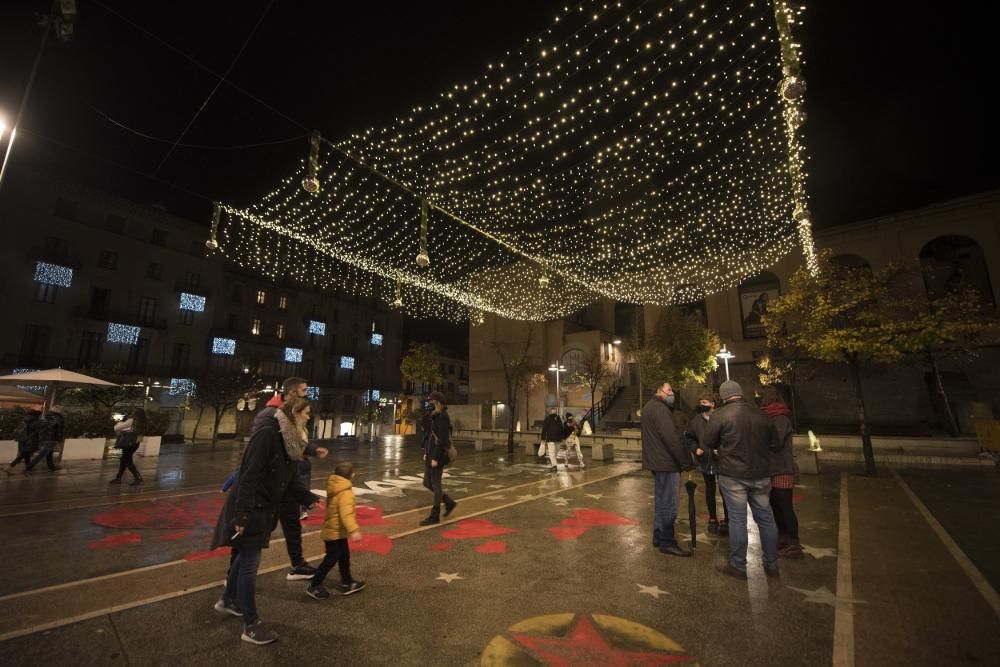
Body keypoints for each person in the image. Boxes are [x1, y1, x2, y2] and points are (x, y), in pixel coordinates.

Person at [210, 396, 318, 646]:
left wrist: (307, 496)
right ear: (294, 413)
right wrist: (242, 514)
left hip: (264, 507)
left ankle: (228, 599)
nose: (309, 417)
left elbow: (288, 478)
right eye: (306, 413)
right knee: (249, 562)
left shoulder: (291, 441)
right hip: (251, 507)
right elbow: (248, 474)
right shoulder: (268, 435)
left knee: (245, 556)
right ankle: (251, 624)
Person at [701, 380, 782, 579]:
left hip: (733, 474)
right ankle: (772, 565)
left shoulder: (720, 415)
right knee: (766, 518)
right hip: (761, 473)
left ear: (723, 397)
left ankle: (738, 565)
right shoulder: (761, 414)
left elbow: (709, 441)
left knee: (737, 520)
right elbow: (775, 443)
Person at [256, 377, 329, 581]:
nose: (307, 394)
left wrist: (313, 450)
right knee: (258, 531)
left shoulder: (290, 416)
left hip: (287, 479)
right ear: (292, 393)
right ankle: (235, 577)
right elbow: (260, 457)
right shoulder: (271, 416)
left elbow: (296, 442)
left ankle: (297, 565)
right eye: (304, 390)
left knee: (291, 522)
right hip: (271, 483)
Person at [640, 382, 691, 557]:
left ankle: (659, 535)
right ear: (659, 391)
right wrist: (685, 461)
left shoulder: (649, 407)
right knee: (670, 503)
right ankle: (667, 541)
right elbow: (671, 438)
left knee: (661, 501)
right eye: (669, 390)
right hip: (667, 463)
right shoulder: (661, 409)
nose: (672, 393)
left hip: (657, 462)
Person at [306, 461, 365, 600]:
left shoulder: (335, 486)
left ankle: (347, 582)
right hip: (335, 532)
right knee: (331, 559)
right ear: (352, 476)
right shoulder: (345, 492)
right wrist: (354, 530)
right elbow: (346, 514)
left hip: (337, 531)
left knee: (344, 556)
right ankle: (314, 585)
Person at [761, 387, 802, 558]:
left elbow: (775, 442)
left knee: (785, 506)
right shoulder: (773, 418)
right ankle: (783, 536)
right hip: (772, 469)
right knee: (776, 506)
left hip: (781, 469)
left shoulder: (780, 418)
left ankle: (793, 542)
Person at [686, 392, 729, 535]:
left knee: (725, 491)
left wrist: (721, 450)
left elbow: (729, 437)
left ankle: (727, 520)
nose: (701, 405)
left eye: (704, 402)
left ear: (712, 404)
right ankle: (712, 518)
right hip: (705, 461)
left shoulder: (721, 417)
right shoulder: (697, 420)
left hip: (722, 462)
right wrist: (695, 448)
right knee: (709, 491)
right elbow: (690, 437)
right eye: (700, 402)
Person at [419, 390, 457, 525]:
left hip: (438, 456)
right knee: (426, 482)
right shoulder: (434, 416)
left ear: (437, 403)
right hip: (431, 454)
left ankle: (435, 515)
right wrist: (426, 452)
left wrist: (435, 457)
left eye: (431, 401)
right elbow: (429, 436)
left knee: (435, 483)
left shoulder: (443, 417)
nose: (428, 403)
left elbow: (442, 440)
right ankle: (448, 501)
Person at [24, 405, 64, 474]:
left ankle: (51, 467)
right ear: (58, 410)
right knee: (42, 454)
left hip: (47, 437)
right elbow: (56, 428)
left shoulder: (48, 416)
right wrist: (59, 438)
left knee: (49, 453)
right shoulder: (55, 417)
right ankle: (29, 467)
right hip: (50, 438)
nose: (62, 411)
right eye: (61, 410)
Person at [110, 410, 145, 486]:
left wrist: (120, 422)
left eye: (132, 412)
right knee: (123, 460)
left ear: (134, 414)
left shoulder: (131, 421)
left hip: (125, 443)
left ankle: (138, 478)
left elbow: (116, 428)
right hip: (134, 444)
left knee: (128, 461)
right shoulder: (142, 423)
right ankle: (118, 478)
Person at [540, 406, 564, 471]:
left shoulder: (558, 418)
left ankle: (553, 462)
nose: (553, 412)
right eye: (552, 410)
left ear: (556, 411)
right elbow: (544, 429)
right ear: (550, 411)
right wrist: (543, 438)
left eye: (555, 410)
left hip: (558, 439)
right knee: (552, 452)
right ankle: (554, 465)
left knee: (555, 452)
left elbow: (561, 428)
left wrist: (562, 437)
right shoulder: (547, 419)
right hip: (550, 438)